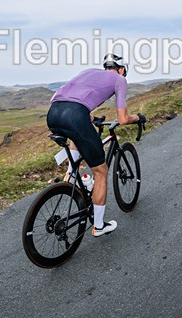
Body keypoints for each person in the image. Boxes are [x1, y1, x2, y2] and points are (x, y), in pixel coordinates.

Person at [47, 53, 145, 237]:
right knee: (100, 171)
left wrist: (91, 118)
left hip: (53, 112)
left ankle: (71, 174)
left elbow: (70, 98)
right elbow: (122, 119)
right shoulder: (119, 79)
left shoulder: (89, 72)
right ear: (122, 69)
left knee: (76, 134)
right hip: (75, 116)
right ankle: (99, 226)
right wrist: (138, 118)